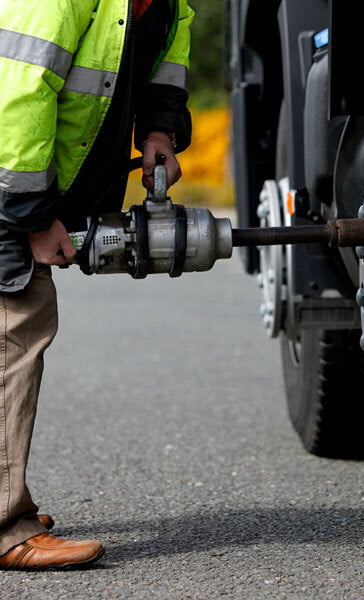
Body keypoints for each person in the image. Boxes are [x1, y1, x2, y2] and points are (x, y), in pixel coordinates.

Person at [0, 0, 193, 569]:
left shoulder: (168, 3)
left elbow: (164, 61)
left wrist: (159, 127)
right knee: (16, 326)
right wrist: (31, 217)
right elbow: (17, 92)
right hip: (9, 180)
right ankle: (6, 528)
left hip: (20, 182)